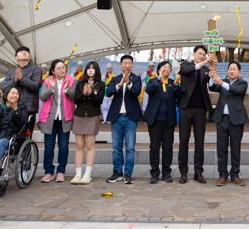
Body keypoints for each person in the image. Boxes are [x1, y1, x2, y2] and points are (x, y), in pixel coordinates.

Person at [178, 45, 214, 184]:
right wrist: (204, 62)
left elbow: (211, 84)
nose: (202, 56)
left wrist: (212, 71)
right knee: (184, 140)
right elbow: (187, 71)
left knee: (200, 141)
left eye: (204, 54)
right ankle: (183, 172)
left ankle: (198, 172)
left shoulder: (205, 69)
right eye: (200, 53)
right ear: (194, 54)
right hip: (185, 108)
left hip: (200, 109)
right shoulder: (185, 65)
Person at [209, 61, 249, 186]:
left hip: (236, 120)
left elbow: (237, 90)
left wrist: (221, 82)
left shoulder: (242, 83)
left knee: (235, 148)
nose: (231, 71)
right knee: (221, 148)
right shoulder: (223, 82)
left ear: (239, 72)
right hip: (222, 119)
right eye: (230, 69)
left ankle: (235, 175)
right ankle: (222, 175)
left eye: (234, 69)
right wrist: (212, 77)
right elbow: (212, 87)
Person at [105, 55, 142, 185]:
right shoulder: (115, 79)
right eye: (125, 63)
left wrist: (129, 83)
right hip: (117, 117)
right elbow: (108, 92)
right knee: (116, 147)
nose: (127, 65)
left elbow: (137, 92)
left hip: (131, 118)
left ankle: (128, 173)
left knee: (130, 147)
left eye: (129, 63)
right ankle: (117, 172)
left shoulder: (136, 79)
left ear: (132, 65)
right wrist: (120, 84)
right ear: (120, 65)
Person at [144, 61, 183, 183]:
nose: (167, 69)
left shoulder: (172, 82)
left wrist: (176, 84)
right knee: (154, 147)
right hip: (155, 120)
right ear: (159, 69)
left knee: (167, 147)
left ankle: (166, 172)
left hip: (168, 121)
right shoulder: (152, 81)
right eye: (164, 67)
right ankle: (154, 173)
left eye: (169, 68)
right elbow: (148, 90)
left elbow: (179, 96)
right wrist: (159, 78)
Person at [38, 59, 76, 183]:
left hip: (65, 118)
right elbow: (42, 97)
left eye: (63, 67)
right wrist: (51, 88)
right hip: (50, 118)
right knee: (49, 147)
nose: (62, 70)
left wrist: (67, 89)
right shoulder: (48, 80)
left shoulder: (72, 80)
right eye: (59, 68)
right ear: (53, 71)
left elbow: (75, 97)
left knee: (63, 146)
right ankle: (48, 172)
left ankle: (61, 171)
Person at [71, 61, 104, 185]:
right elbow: (76, 100)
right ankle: (78, 174)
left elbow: (99, 101)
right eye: (88, 68)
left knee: (90, 145)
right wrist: (84, 94)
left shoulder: (100, 84)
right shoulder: (80, 83)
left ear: (96, 70)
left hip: (92, 116)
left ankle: (87, 174)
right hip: (79, 116)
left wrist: (90, 94)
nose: (90, 70)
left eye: (93, 68)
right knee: (79, 145)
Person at [1, 46, 41, 133]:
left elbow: (35, 86)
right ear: (16, 57)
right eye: (21, 51)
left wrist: (22, 79)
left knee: (24, 135)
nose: (24, 52)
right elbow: (4, 88)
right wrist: (15, 80)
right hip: (12, 107)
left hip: (29, 108)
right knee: (10, 134)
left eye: (26, 51)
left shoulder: (36, 70)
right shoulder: (11, 72)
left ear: (29, 57)